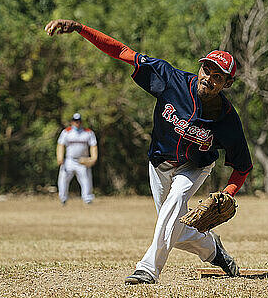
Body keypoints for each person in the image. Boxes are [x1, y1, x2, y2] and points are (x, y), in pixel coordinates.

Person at [45, 20, 252, 284]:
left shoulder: (227, 119)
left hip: (194, 166)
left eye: (217, 76)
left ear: (227, 84)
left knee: (176, 202)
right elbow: (122, 52)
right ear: (200, 68)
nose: (208, 78)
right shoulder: (171, 80)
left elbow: (242, 166)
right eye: (206, 69)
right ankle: (213, 250)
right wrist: (79, 28)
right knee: (172, 227)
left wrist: (228, 193)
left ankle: (147, 269)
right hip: (159, 163)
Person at [57, 112, 98, 205]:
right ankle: (63, 199)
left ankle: (87, 199)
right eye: (75, 121)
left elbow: (93, 146)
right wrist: (60, 158)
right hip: (70, 160)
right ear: (72, 122)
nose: (77, 123)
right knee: (63, 179)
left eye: (79, 121)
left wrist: (93, 158)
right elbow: (60, 145)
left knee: (86, 180)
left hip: (83, 160)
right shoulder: (66, 132)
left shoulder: (88, 133)